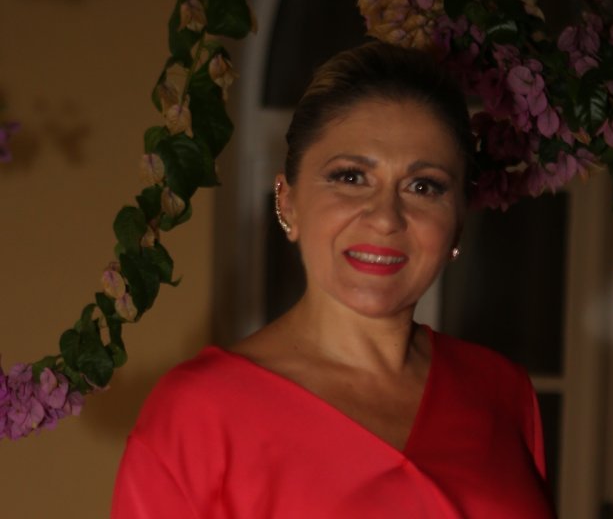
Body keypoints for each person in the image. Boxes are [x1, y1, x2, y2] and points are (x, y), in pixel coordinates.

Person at [111, 41, 556, 518]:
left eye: (423, 186)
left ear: (457, 223)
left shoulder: (502, 392)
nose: (385, 217)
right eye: (350, 177)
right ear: (288, 201)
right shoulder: (198, 413)